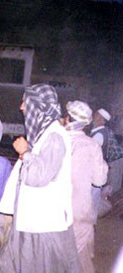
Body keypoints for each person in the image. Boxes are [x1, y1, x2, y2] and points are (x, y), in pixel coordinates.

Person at [0, 84, 80, 273]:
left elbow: (39, 177)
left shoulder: (55, 136)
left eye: (25, 102)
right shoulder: (44, 135)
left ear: (38, 106)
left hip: (43, 225)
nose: (21, 107)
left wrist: (25, 152)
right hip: (29, 219)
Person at [64, 100, 108, 273]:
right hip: (79, 211)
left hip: (54, 210)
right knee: (79, 257)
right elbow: (99, 181)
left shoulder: (54, 139)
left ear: (67, 118)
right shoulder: (92, 145)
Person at [90, 108, 123, 196]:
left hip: (114, 162)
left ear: (101, 120)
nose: (93, 117)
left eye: (96, 115)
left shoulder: (99, 134)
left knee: (111, 191)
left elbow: (92, 155)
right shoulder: (102, 131)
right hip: (115, 161)